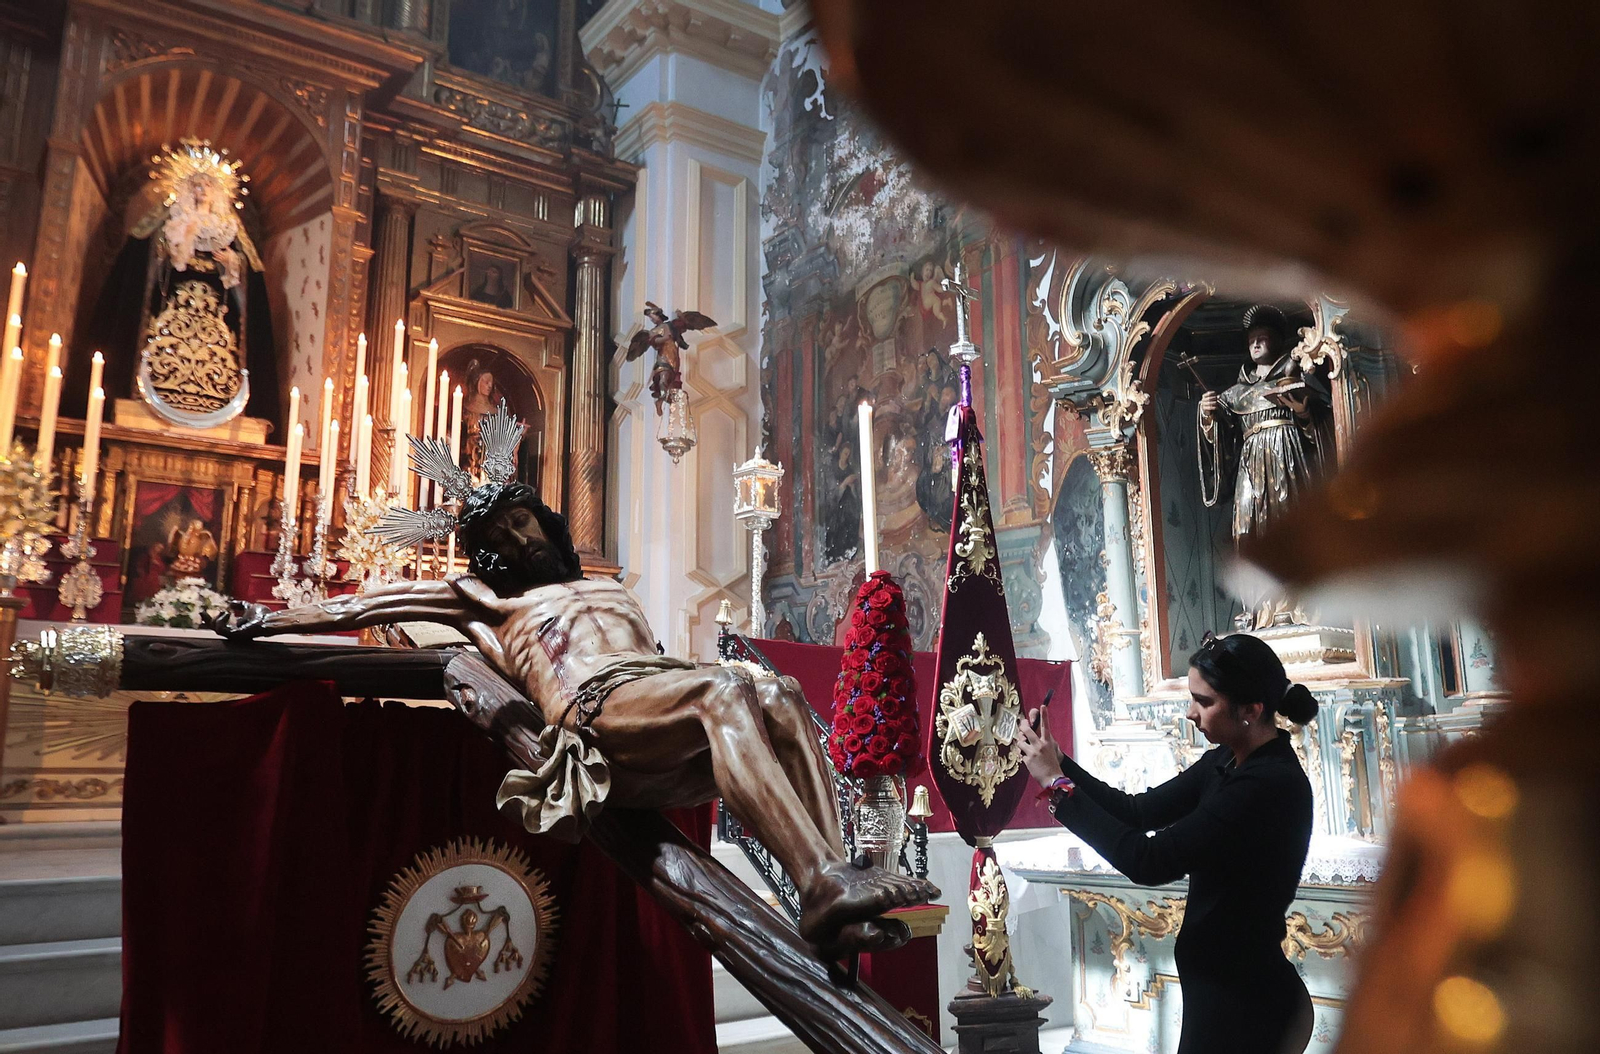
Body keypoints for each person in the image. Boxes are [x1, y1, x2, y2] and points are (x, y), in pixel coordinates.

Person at [212, 479, 937, 957]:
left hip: (658, 704)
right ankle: (818, 882)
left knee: (774, 694)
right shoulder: (489, 600)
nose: (518, 537)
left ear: (546, 520)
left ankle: (834, 884)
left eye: (523, 519)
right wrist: (270, 617)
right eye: (500, 534)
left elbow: (660, 662)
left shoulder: (609, 590)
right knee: (724, 695)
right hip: (597, 723)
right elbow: (372, 605)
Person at [1019, 631, 1318, 1054]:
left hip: (1247, 1005)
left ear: (1251, 710)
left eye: (1205, 701)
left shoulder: (1267, 783)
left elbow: (1150, 860)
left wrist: (1055, 784)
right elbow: (1136, 812)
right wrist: (1059, 762)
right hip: (1221, 993)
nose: (1191, 713)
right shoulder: (1228, 759)